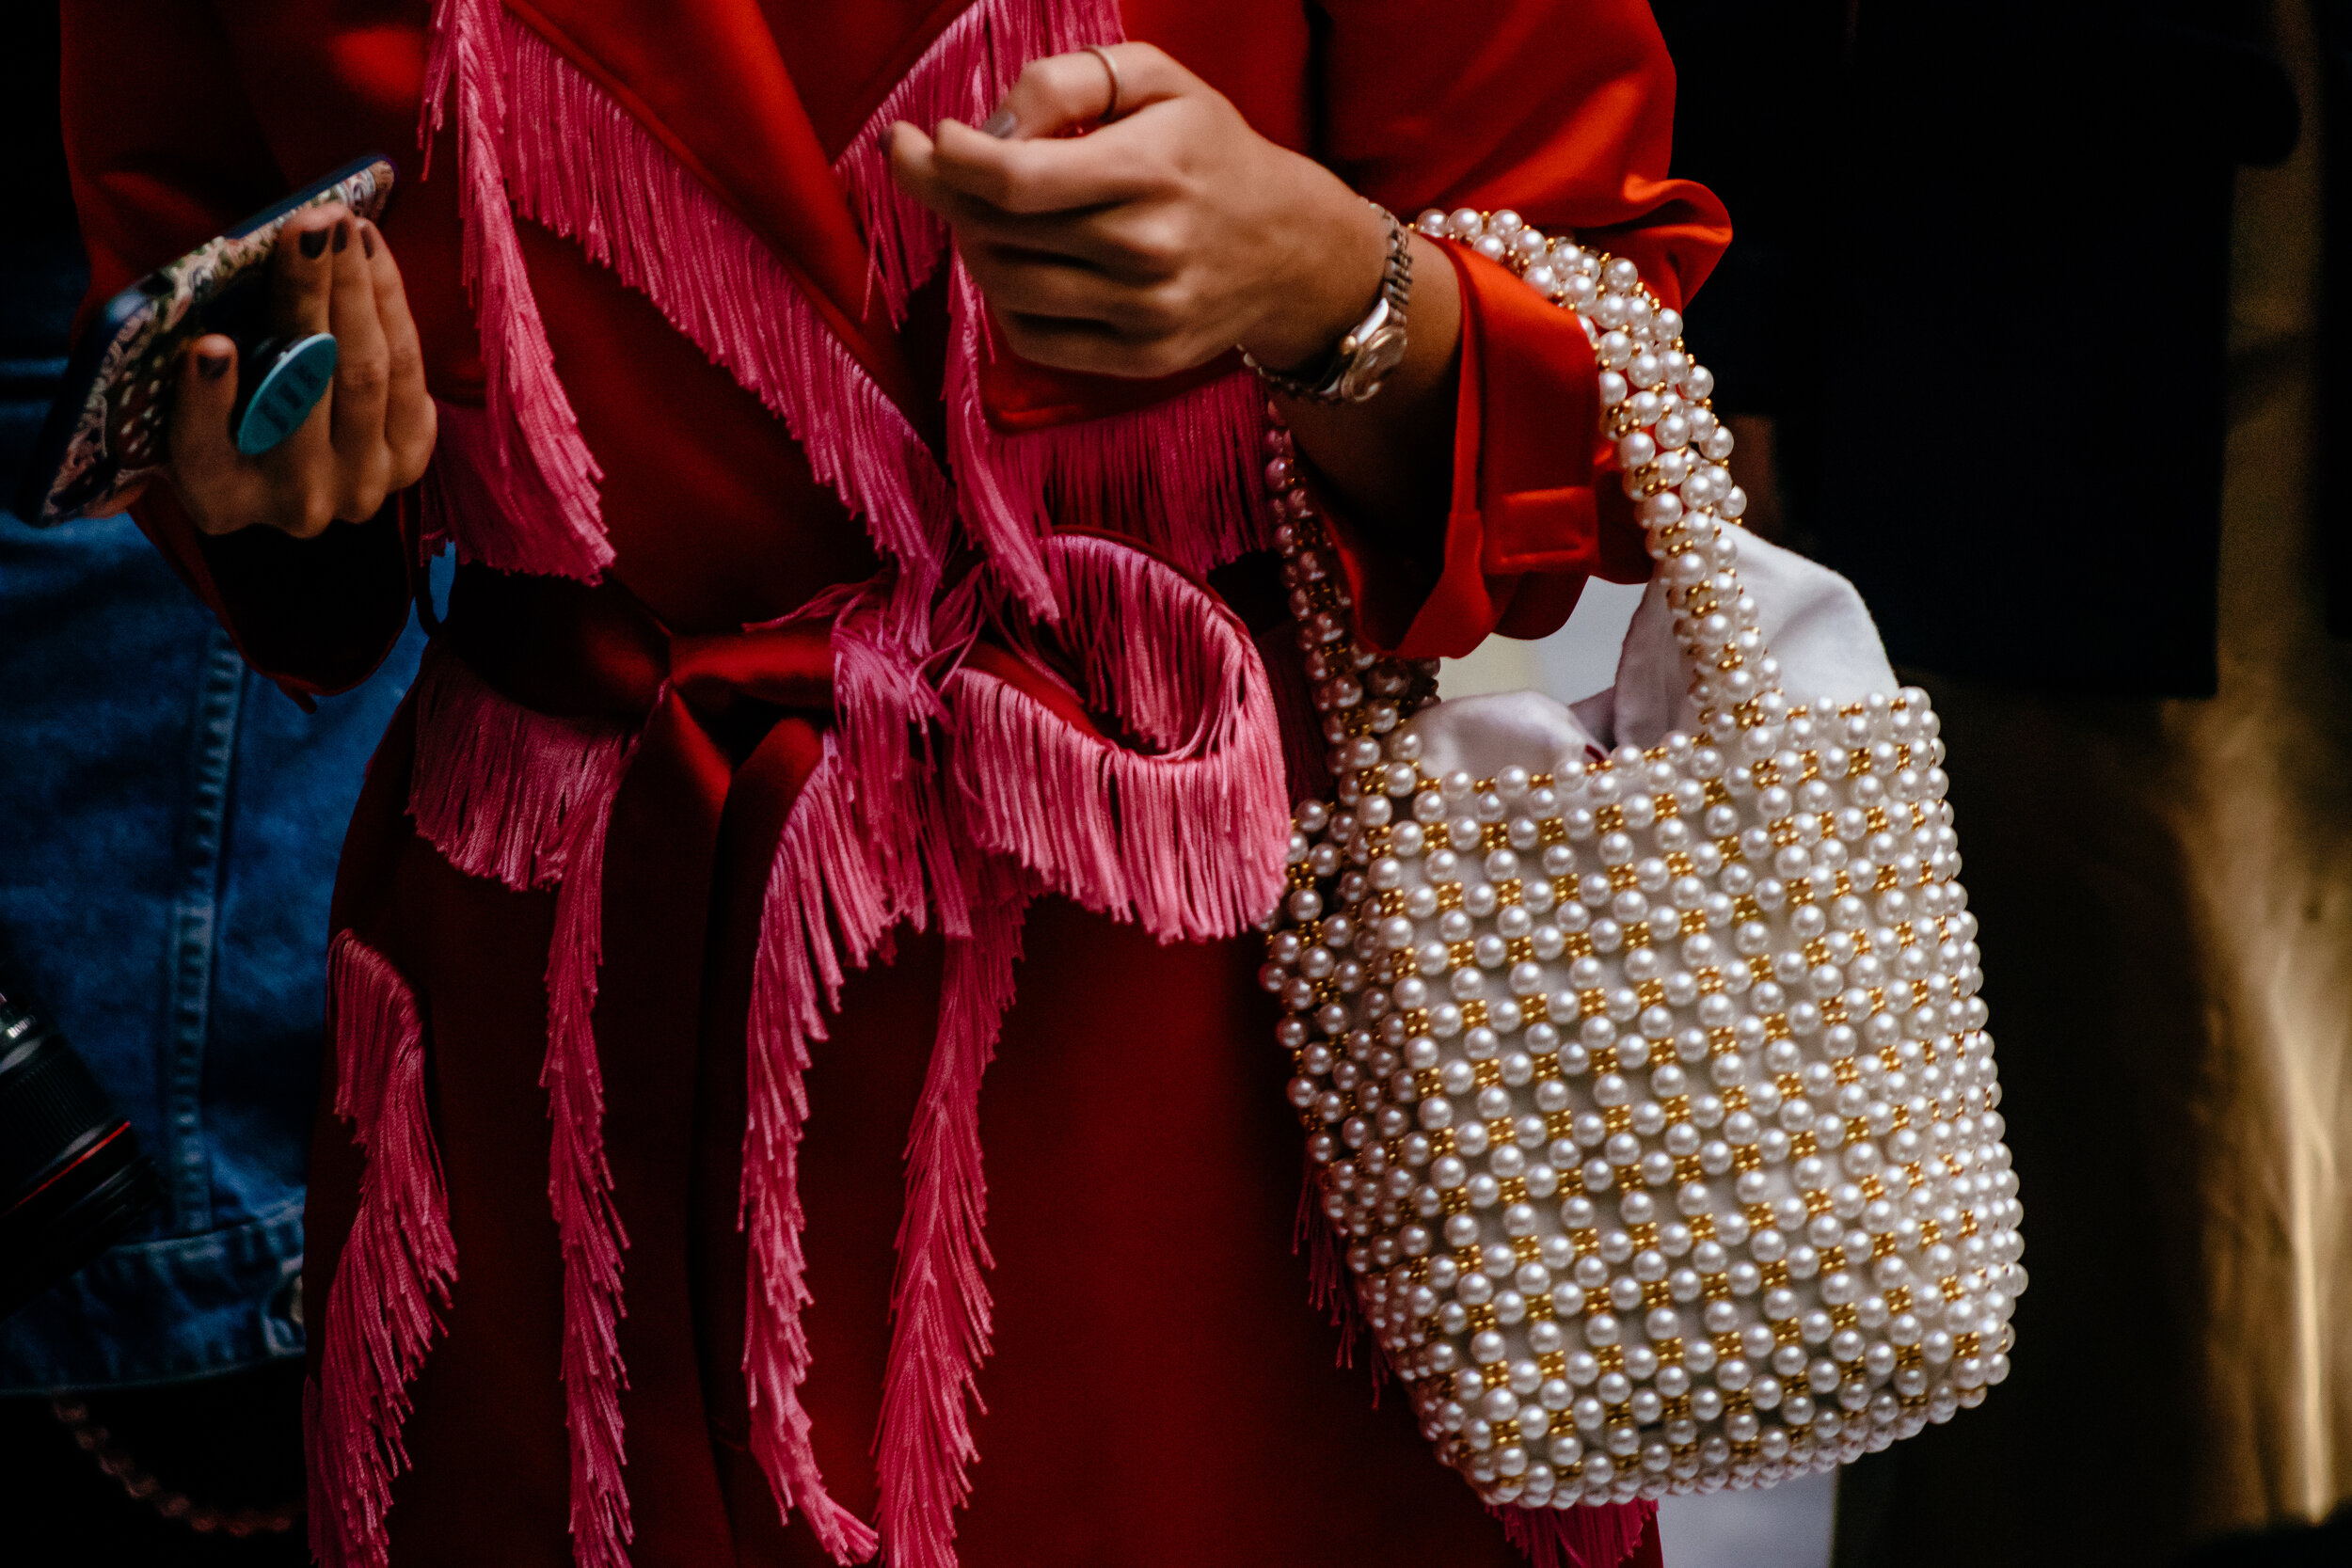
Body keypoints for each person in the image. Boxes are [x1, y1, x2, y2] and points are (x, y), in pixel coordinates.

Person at [59, 3, 1725, 1564]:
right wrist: (284, 480)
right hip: (573, 1112)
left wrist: (1327, 285)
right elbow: (189, 297)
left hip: (1233, 1089)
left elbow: (1607, 389)